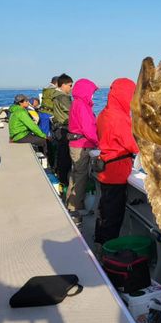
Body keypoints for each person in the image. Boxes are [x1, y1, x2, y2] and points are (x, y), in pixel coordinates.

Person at [94, 78, 139, 247]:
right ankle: (107, 251)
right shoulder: (119, 118)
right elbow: (134, 146)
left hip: (105, 168)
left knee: (104, 210)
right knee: (113, 216)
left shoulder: (104, 114)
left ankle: (99, 242)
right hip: (117, 172)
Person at [66, 78, 99, 221]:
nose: (93, 95)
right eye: (92, 92)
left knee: (75, 175)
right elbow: (89, 129)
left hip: (75, 145)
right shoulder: (82, 106)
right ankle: (75, 209)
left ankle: (70, 204)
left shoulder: (76, 103)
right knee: (80, 177)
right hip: (81, 146)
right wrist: (99, 142)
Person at [50, 73, 73, 187]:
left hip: (58, 128)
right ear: (63, 85)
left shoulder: (55, 96)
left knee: (60, 156)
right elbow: (73, 112)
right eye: (70, 85)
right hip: (64, 129)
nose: (71, 88)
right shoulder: (63, 97)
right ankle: (64, 182)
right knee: (65, 158)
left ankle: (60, 178)